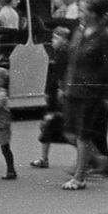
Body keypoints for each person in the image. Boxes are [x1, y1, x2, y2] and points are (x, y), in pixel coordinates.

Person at [61, 0, 108, 190]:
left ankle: (79, 178)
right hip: (72, 90)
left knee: (82, 135)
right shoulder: (79, 32)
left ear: (94, 14)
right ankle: (98, 159)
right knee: (68, 133)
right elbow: (72, 60)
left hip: (90, 93)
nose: (79, 13)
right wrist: (63, 85)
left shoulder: (105, 37)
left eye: (83, 10)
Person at [31, 26, 71, 169]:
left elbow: (62, 75)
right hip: (54, 93)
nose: (53, 41)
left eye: (56, 38)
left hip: (59, 94)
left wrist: (60, 89)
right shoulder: (57, 53)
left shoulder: (64, 54)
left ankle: (44, 158)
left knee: (60, 125)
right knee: (47, 124)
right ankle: (43, 158)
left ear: (65, 40)